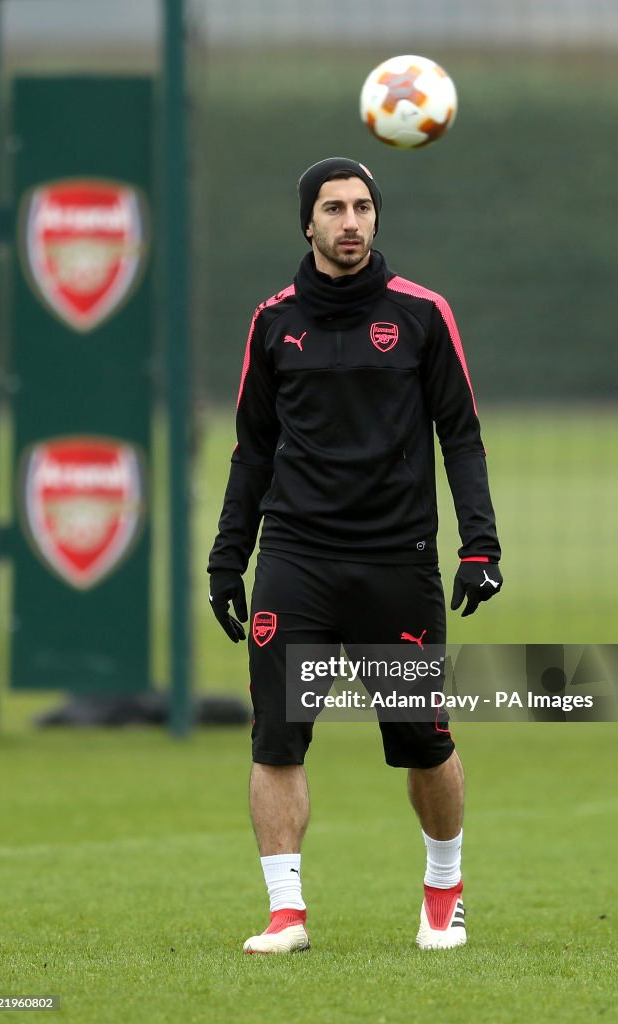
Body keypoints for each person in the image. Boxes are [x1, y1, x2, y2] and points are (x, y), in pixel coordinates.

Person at [207, 157, 502, 954]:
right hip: (295, 556)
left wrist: (479, 543)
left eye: (362, 207)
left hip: (396, 560)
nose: (349, 221)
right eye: (333, 208)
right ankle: (285, 913)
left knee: (423, 738)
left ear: (376, 219)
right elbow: (252, 449)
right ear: (307, 222)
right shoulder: (273, 321)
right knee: (277, 733)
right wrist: (227, 558)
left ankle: (444, 890)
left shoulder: (421, 315)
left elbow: (460, 435)